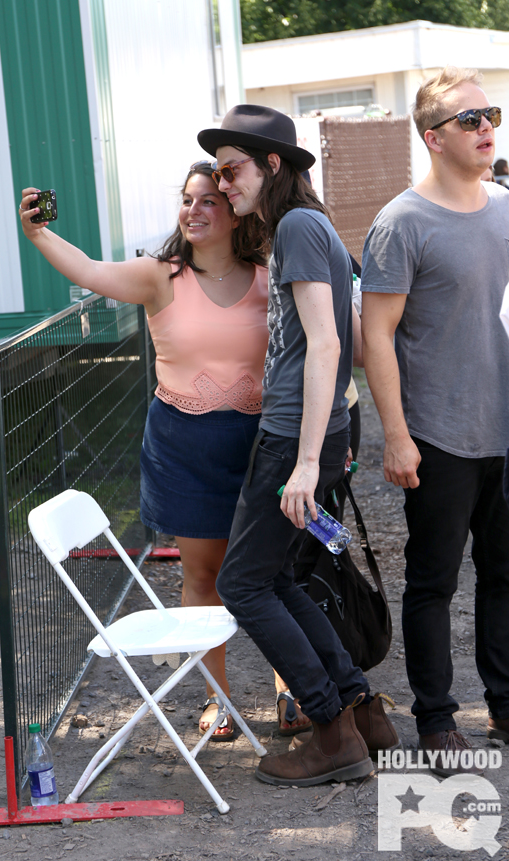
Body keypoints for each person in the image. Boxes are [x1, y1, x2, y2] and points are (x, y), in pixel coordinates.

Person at [19, 163, 271, 741]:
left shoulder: (268, 276)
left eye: (210, 200)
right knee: (203, 576)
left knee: (277, 572)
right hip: (184, 447)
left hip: (259, 446)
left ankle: (294, 693)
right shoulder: (161, 276)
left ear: (236, 210)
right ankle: (219, 701)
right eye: (187, 200)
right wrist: (38, 234)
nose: (195, 210)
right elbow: (89, 270)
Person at [197, 104, 398, 786]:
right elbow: (341, 329)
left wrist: (308, 461)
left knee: (243, 583)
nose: (222, 185)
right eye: (217, 172)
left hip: (294, 437)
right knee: (278, 575)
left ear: (273, 164)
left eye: (232, 170)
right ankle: (361, 711)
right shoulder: (302, 229)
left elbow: (328, 343)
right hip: (311, 430)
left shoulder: (302, 229)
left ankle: (331, 730)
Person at [361, 67, 509, 776]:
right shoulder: (400, 224)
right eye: (470, 119)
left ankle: (504, 705)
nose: (487, 129)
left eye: (492, 115)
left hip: (506, 432)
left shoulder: (507, 208)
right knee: (434, 580)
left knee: (505, 574)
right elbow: (376, 336)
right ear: (433, 138)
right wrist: (396, 433)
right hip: (439, 436)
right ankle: (437, 717)